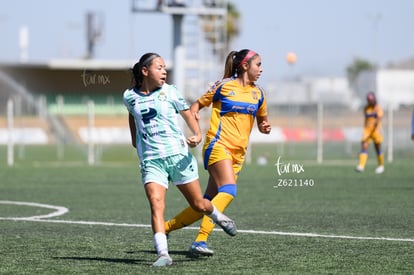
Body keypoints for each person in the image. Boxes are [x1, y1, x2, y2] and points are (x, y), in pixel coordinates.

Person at [123, 52, 237, 267]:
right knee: (156, 204)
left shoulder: (171, 92)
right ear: (145, 71)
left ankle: (218, 216)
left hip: (178, 158)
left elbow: (187, 114)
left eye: (165, 67)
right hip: (151, 160)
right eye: (159, 67)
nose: (164, 71)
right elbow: (132, 113)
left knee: (199, 204)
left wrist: (197, 133)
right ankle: (163, 254)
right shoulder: (129, 96)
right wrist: (134, 139)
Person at [164, 49, 271, 256]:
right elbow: (196, 106)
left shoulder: (259, 93)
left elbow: (262, 121)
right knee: (229, 190)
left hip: (238, 155)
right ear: (245, 66)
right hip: (218, 145)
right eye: (258, 64)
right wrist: (195, 132)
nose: (261, 69)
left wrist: (265, 126)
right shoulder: (223, 86)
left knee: (204, 203)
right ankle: (201, 240)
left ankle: (166, 228)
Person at [355, 91, 384, 174]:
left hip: (375, 130)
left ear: (374, 99)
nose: (370, 101)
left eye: (371, 100)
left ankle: (381, 165)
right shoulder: (366, 108)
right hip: (367, 130)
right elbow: (366, 119)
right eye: (368, 100)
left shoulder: (378, 108)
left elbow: (379, 118)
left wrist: (376, 123)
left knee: (377, 148)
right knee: (364, 145)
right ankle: (361, 166)